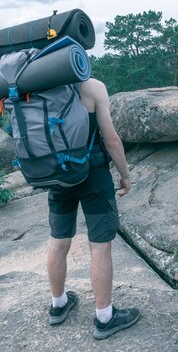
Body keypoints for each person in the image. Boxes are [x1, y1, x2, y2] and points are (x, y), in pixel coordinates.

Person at [45, 77, 140, 340]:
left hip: (57, 176)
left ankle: (58, 304)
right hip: (93, 176)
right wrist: (125, 175)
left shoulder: (39, 86)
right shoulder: (93, 87)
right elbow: (111, 140)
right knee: (100, 246)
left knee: (58, 241)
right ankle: (104, 317)